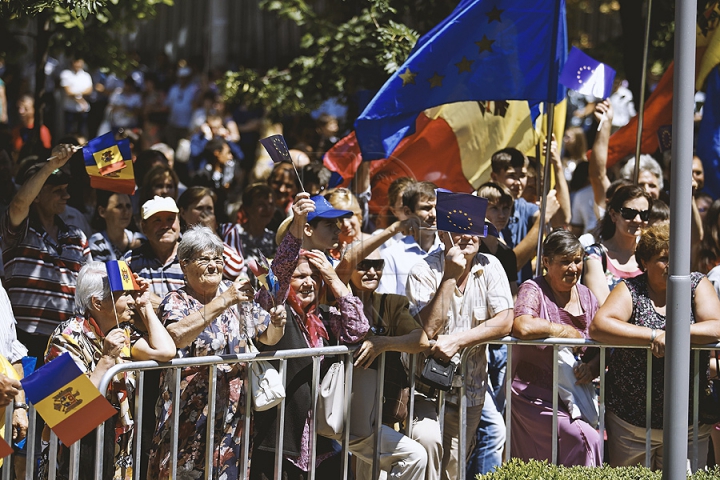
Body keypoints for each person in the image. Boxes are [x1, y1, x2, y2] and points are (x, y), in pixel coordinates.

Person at [147, 226, 286, 479]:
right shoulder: (176, 301)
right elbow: (175, 336)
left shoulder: (236, 296)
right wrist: (223, 301)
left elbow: (267, 335)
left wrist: (278, 323)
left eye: (217, 259)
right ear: (185, 264)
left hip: (232, 418)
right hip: (188, 417)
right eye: (204, 259)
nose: (213, 265)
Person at [250, 192, 370, 479]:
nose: (307, 283)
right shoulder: (273, 308)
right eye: (299, 277)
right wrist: (297, 225)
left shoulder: (324, 317)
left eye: (312, 277)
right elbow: (278, 273)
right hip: (280, 441)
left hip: (322, 440)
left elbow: (359, 328)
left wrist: (332, 278)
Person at [590, 223, 720, 470]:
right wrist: (653, 335)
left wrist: (673, 335)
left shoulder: (696, 283)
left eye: (677, 256)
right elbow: (600, 326)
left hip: (689, 423)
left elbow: (716, 325)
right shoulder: (631, 289)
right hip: (631, 423)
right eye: (663, 258)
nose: (672, 264)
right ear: (645, 262)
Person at [42, 261, 175, 480]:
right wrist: (105, 360)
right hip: (76, 454)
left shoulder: (121, 333)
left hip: (117, 449)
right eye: (124, 295)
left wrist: (145, 307)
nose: (131, 301)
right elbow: (64, 409)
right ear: (97, 303)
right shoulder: (64, 338)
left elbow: (166, 351)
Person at [406, 228, 514, 480]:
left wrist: (458, 341)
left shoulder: (491, 265)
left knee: (453, 469)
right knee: (425, 454)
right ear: (442, 234)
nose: (467, 237)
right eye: (458, 230)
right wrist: (450, 276)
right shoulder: (422, 270)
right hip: (424, 391)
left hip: (470, 389)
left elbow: (506, 320)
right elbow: (427, 329)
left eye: (473, 230)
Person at [510, 230, 602, 466]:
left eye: (577, 260)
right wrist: (564, 331)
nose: (573, 268)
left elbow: (602, 347)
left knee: (592, 438)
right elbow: (522, 325)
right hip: (534, 397)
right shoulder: (533, 289)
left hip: (576, 397)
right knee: (585, 439)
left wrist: (591, 368)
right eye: (565, 261)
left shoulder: (588, 297)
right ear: (546, 262)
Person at [1, 145, 90, 364]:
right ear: (37, 196)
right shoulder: (18, 230)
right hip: (22, 345)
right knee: (24, 399)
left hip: (65, 343)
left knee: (62, 400)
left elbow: (90, 288)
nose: (66, 195)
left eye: (66, 189)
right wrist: (50, 166)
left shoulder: (77, 237)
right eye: (57, 190)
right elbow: (20, 203)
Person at [350, 250, 429, 480]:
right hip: (334, 409)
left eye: (378, 264)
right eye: (364, 265)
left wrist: (383, 343)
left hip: (377, 411)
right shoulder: (330, 300)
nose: (372, 271)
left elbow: (420, 340)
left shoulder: (392, 303)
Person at [583, 184, 651, 304]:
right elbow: (603, 309)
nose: (637, 220)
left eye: (644, 215)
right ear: (614, 215)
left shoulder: (650, 256)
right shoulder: (594, 256)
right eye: (629, 213)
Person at [377, 181, 442, 296]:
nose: (434, 214)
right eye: (426, 208)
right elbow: (388, 304)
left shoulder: (450, 250)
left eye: (437, 208)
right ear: (408, 211)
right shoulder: (391, 256)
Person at [177, 186, 245, 280]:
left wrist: (212, 233)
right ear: (183, 213)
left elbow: (235, 269)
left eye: (209, 208)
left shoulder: (227, 230)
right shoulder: (177, 237)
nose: (205, 213)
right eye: (199, 208)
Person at [222, 183, 277, 263]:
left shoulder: (273, 239)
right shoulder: (233, 234)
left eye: (271, 204)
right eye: (261, 204)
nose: (267, 209)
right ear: (247, 208)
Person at [88, 190, 143, 262]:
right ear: (102, 211)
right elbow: (102, 273)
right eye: (119, 206)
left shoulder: (141, 240)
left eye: (128, 206)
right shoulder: (96, 243)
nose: (126, 211)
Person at [60, 58, 93, 137]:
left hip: (82, 109)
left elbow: (89, 90)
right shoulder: (66, 74)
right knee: (68, 133)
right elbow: (68, 91)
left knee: (81, 133)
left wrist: (76, 94)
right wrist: (80, 97)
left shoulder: (86, 76)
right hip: (70, 108)